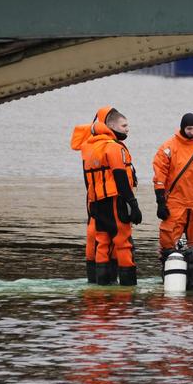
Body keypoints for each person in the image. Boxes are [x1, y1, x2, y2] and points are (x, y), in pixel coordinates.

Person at [84, 108, 142, 285]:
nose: (127, 129)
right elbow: (120, 178)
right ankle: (128, 287)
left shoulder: (89, 148)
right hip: (116, 201)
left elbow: (88, 181)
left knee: (102, 243)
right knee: (123, 243)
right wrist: (133, 204)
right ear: (110, 126)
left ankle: (101, 286)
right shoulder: (114, 148)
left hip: (98, 203)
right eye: (124, 125)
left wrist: (91, 206)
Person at [152, 113, 193, 261]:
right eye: (189, 129)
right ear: (182, 128)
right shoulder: (169, 147)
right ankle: (167, 266)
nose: (192, 132)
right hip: (175, 201)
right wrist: (160, 203)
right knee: (168, 239)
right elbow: (159, 176)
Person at [71, 106, 116, 283]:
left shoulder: (89, 144)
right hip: (101, 199)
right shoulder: (104, 146)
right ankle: (107, 282)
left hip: (93, 199)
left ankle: (97, 282)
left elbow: (87, 177)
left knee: (96, 241)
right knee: (104, 241)